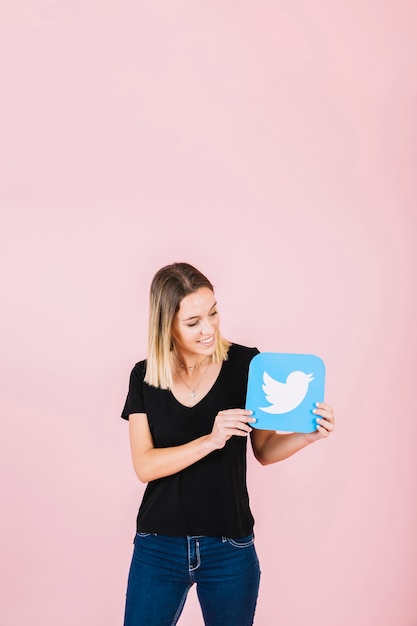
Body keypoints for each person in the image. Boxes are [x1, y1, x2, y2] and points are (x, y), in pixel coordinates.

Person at [121, 262, 335, 626]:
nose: (209, 329)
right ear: (167, 325)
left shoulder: (247, 364)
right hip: (157, 546)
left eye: (213, 313)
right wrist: (210, 439)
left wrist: (307, 435)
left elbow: (264, 452)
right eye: (193, 322)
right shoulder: (145, 376)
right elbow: (145, 466)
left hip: (229, 547)